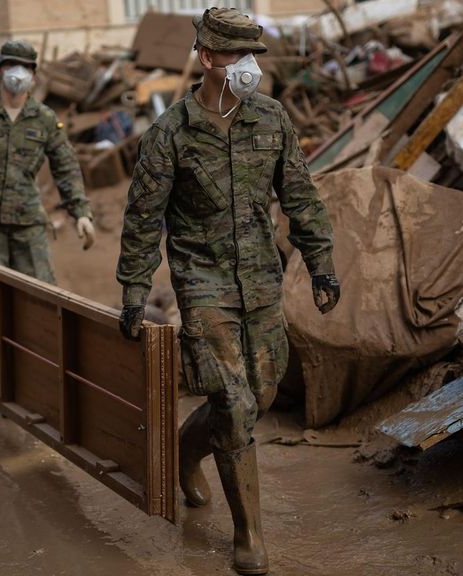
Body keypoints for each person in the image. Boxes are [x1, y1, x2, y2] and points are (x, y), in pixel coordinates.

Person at [115, 8, 340, 575]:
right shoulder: (169, 134)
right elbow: (143, 220)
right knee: (234, 403)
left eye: (253, 57)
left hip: (262, 278)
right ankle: (249, 537)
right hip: (204, 282)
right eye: (237, 56)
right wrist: (135, 292)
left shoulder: (272, 118)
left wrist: (321, 265)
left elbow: (301, 196)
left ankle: (186, 452)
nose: (248, 67)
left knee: (259, 394)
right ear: (208, 58)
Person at [0, 40, 95, 285]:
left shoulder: (44, 118)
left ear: (33, 74)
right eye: (11, 65)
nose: (18, 72)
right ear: (0, 69)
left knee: (42, 290)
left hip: (27, 214)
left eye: (25, 67)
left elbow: (65, 166)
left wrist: (81, 213)